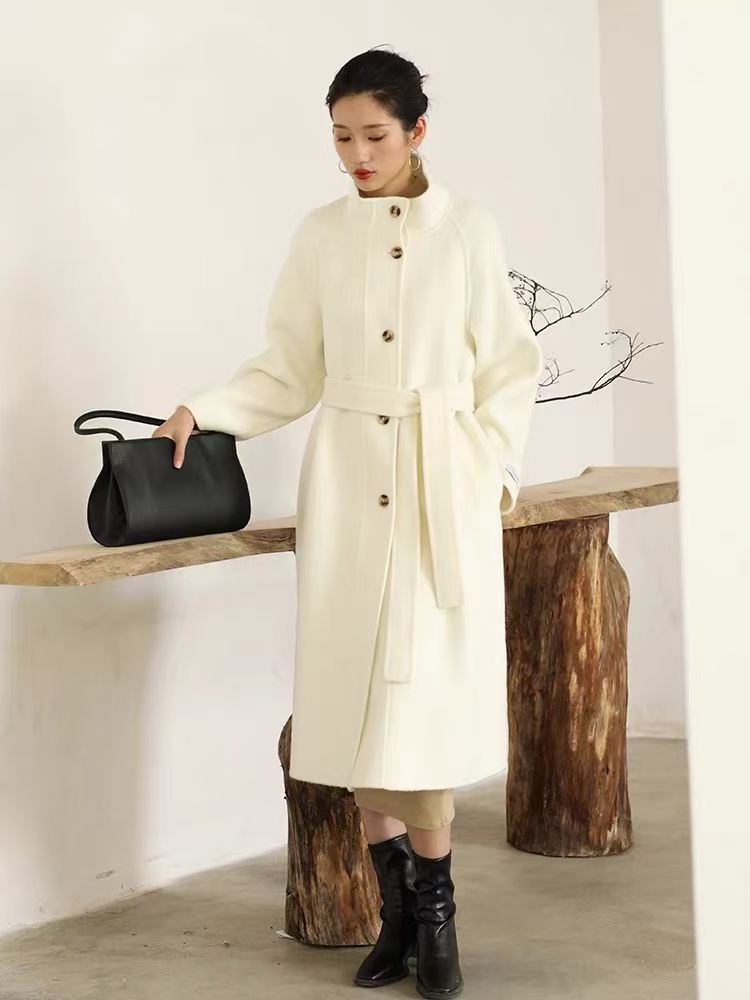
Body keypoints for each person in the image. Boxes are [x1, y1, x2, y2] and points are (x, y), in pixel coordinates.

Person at [154, 46, 544, 1000]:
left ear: (417, 131)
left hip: (436, 484)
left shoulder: (468, 229)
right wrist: (207, 408)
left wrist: (489, 472)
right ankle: (397, 918)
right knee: (357, 710)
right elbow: (290, 366)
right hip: (348, 485)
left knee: (418, 713)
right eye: (340, 138)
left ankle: (437, 918)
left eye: (375, 136)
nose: (357, 156)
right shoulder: (322, 235)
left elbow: (509, 364)